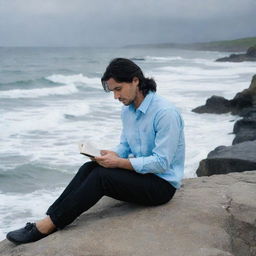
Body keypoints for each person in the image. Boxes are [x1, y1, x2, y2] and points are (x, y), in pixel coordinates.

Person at [6, 58, 185, 244]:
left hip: (161, 186)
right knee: (88, 168)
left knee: (102, 177)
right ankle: (50, 217)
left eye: (118, 89)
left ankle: (47, 226)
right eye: (113, 91)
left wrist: (119, 163)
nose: (116, 97)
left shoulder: (165, 113)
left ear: (135, 81)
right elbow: (126, 146)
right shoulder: (128, 111)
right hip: (143, 175)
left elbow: (162, 162)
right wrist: (111, 154)